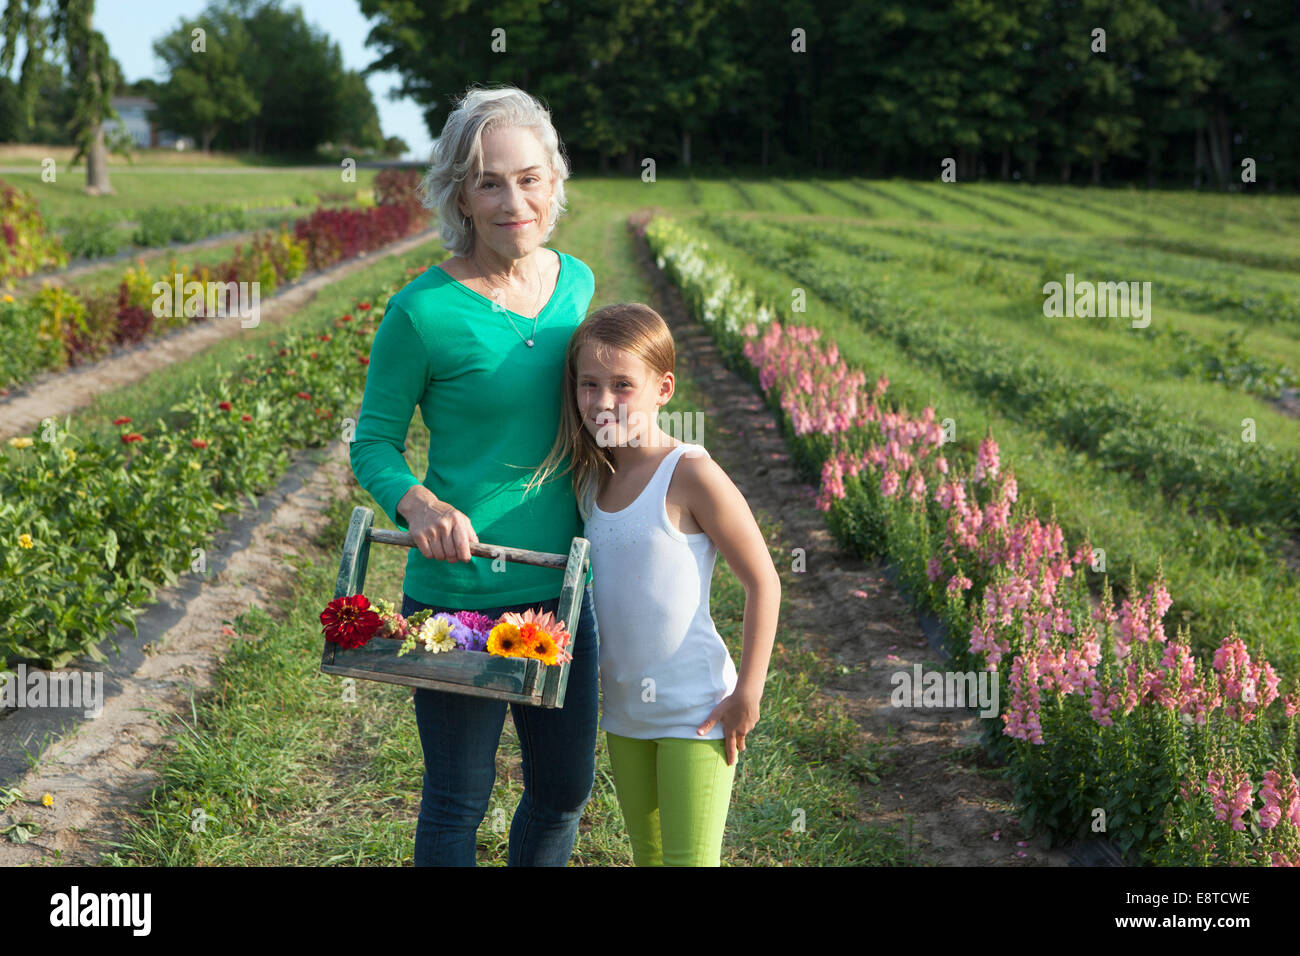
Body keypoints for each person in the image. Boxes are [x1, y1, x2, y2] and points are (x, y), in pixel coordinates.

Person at [349, 83, 600, 867]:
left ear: (553, 183)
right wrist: (418, 503)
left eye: (528, 178)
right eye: (489, 180)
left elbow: (603, 407)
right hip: (457, 595)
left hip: (560, 589)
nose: (511, 199)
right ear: (460, 191)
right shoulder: (421, 313)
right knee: (458, 798)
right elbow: (373, 444)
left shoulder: (579, 286)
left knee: (564, 789)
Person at [525, 303, 781, 866]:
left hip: (697, 712)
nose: (602, 401)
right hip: (624, 714)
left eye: (622, 385)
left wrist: (750, 692)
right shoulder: (593, 478)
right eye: (588, 385)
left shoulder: (689, 472)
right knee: (649, 858)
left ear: (663, 388)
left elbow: (764, 580)